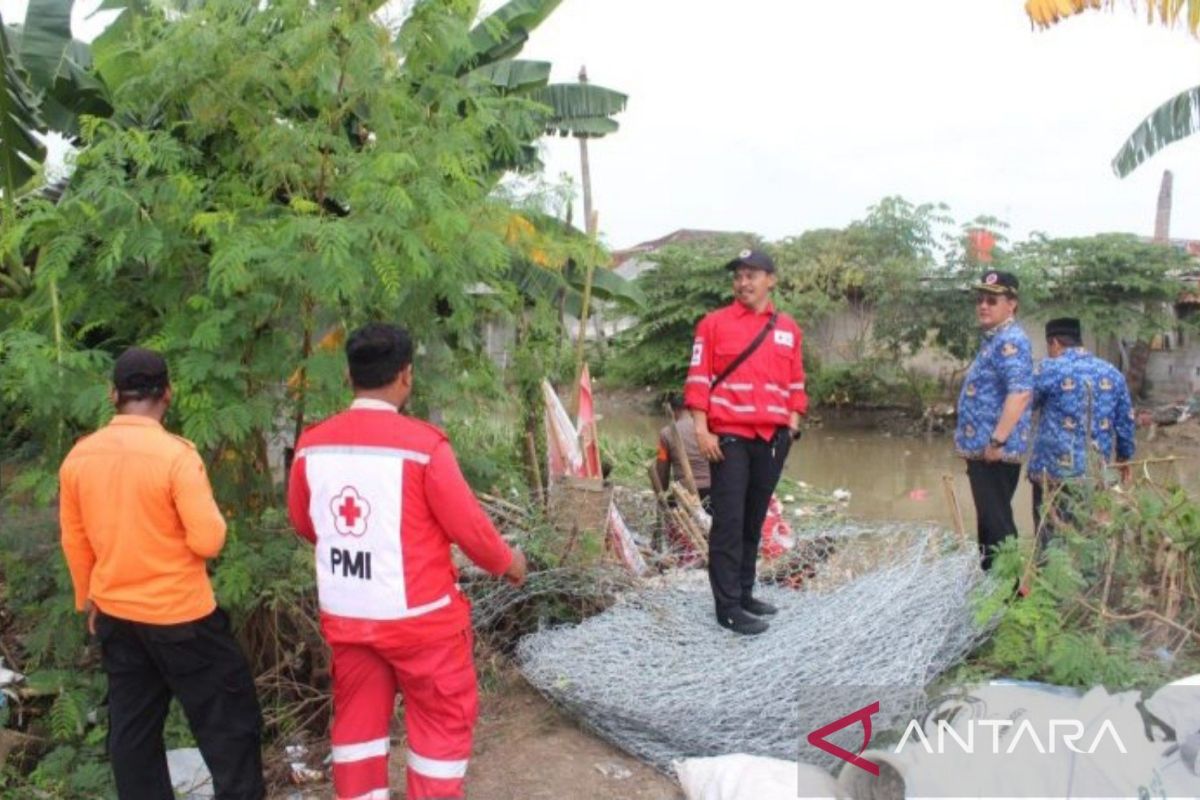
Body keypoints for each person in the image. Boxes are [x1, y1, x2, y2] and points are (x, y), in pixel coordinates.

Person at [287, 322, 527, 800]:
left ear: (350, 376)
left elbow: (306, 522)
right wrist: (511, 564)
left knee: (356, 732)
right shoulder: (423, 447)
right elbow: (471, 530)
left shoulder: (312, 444)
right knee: (441, 727)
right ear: (406, 376)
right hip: (423, 625)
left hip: (349, 617)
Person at [59, 347, 264, 800]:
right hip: (182, 618)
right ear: (167, 394)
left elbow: (75, 540)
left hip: (116, 615)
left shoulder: (79, 457)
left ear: (113, 394)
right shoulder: (175, 456)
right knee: (229, 725)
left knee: (133, 733)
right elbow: (208, 540)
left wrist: (87, 599)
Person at [684, 248, 806, 636]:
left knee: (755, 520)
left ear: (771, 279)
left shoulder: (788, 328)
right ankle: (728, 607)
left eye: (752, 274)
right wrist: (702, 430)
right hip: (730, 438)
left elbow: (796, 385)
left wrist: (792, 425)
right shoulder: (713, 324)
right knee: (729, 523)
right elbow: (698, 380)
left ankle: (746, 593)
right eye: (738, 275)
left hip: (772, 438)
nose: (743, 282)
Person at [1029, 318, 1136, 546]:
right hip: (1094, 474)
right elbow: (1126, 423)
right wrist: (1124, 458)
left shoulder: (1048, 369)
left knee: (1049, 540)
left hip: (1052, 475)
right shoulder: (1112, 373)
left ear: (1054, 343)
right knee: (1089, 536)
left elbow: (1023, 405)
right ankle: (1089, 580)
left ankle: (1046, 578)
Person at [954, 270, 1034, 570]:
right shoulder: (995, 339)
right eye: (980, 300)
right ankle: (992, 591)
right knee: (989, 528)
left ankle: (1014, 596)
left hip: (994, 452)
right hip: (984, 451)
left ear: (1011, 304)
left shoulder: (1010, 341)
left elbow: (1021, 393)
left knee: (998, 527)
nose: (983, 305)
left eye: (992, 300)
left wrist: (996, 440)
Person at [655, 393, 711, 505]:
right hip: (712, 491)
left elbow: (662, 474)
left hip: (685, 495)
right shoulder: (708, 427)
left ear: (673, 411)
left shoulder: (666, 433)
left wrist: (660, 495)